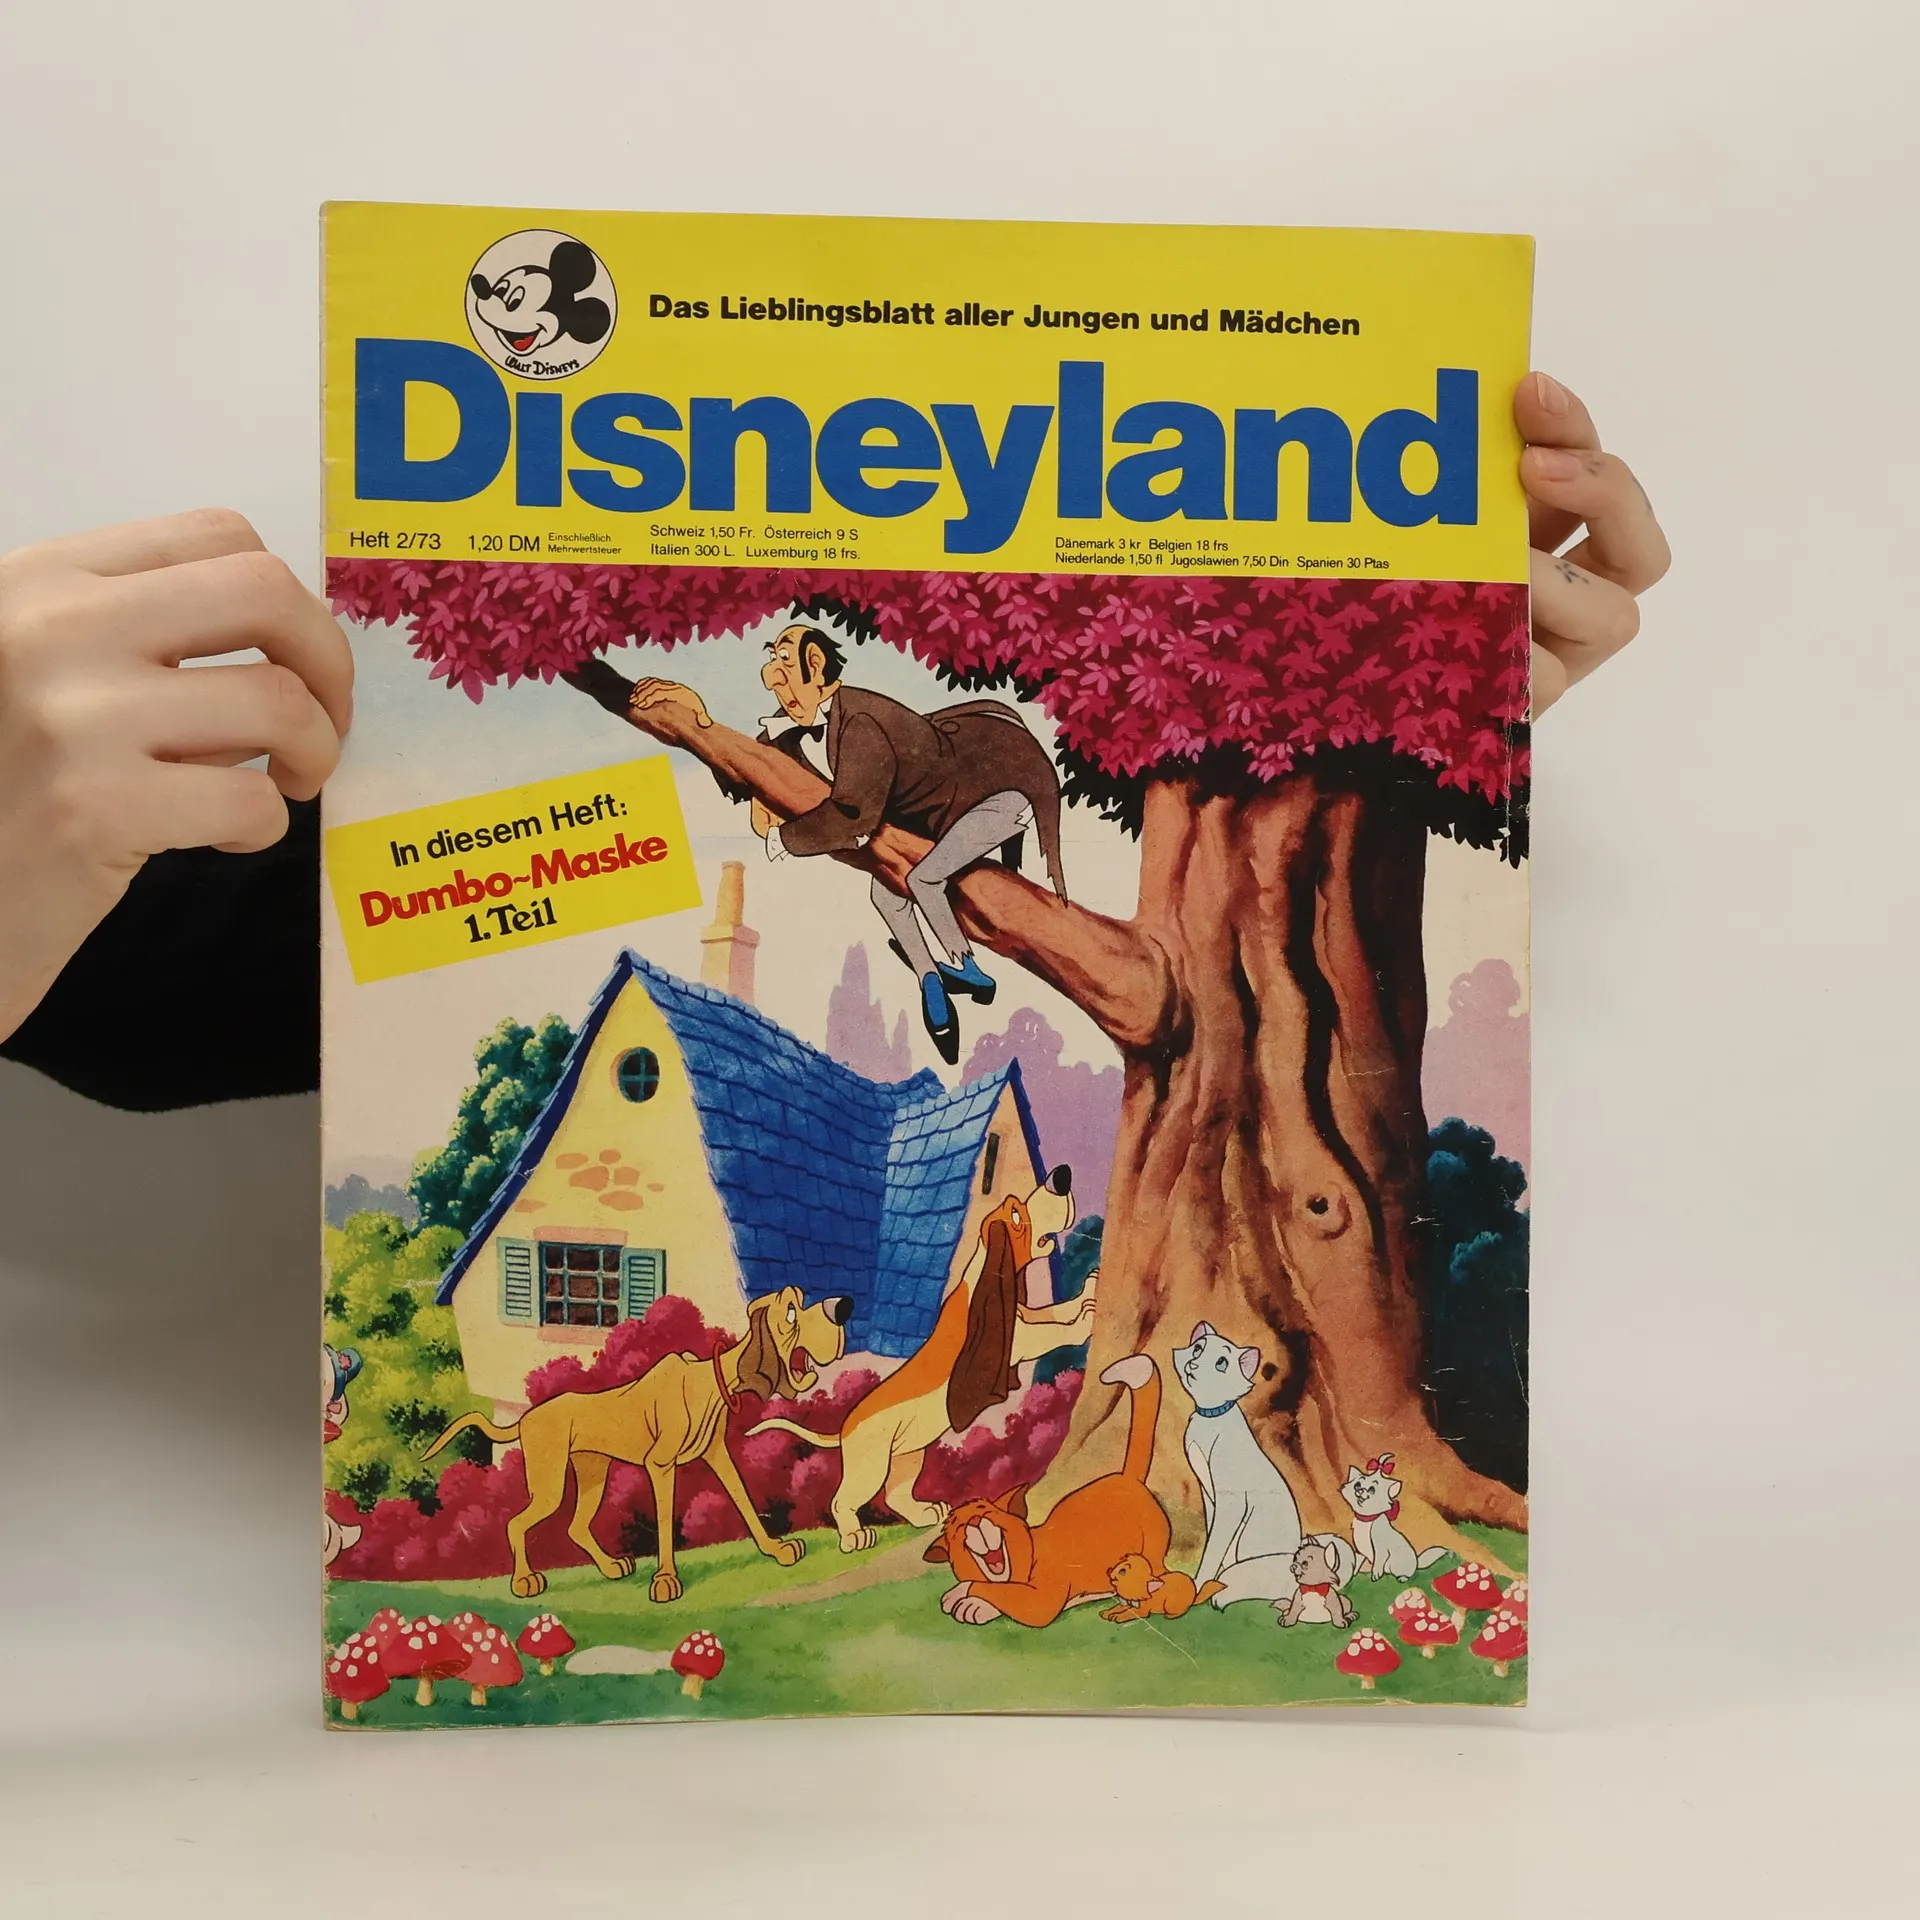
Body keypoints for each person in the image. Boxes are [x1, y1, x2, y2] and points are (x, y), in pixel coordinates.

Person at [0, 374, 1668, 1111]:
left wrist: (1339, 727)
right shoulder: (821, 725)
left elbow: (185, 977)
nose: (791, 681)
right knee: (900, 893)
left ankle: (942, 967)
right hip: (933, 829)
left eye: (795, 666)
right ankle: (940, 979)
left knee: (913, 875)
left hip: (988, 810)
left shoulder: (859, 720)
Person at [629, 618, 1070, 1064]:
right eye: (772, 657)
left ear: (815, 664)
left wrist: (784, 838)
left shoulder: (859, 720)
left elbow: (854, 816)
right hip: (940, 815)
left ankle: (968, 969)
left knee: (924, 879)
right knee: (886, 894)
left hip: (998, 798)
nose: (772, 673)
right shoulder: (791, 730)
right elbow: (742, 774)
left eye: (785, 659)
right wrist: (699, 719)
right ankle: (931, 983)